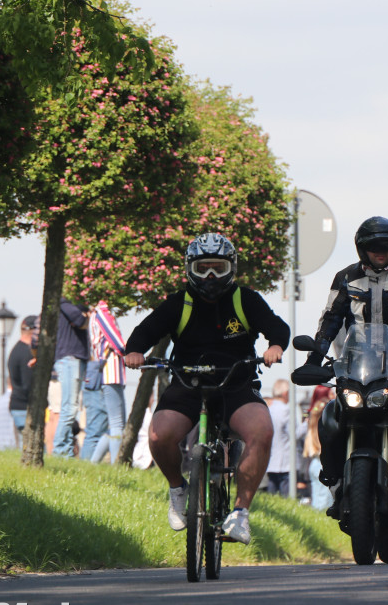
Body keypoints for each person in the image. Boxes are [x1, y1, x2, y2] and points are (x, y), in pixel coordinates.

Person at [123, 233, 288, 545]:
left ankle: (240, 513)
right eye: (203, 268)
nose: (211, 276)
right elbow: (145, 331)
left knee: (262, 431)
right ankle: (177, 489)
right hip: (187, 382)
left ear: (232, 268)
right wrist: (134, 351)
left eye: (218, 267)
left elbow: (277, 328)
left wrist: (275, 347)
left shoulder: (245, 300)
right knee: (158, 435)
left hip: (235, 383)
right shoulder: (178, 303)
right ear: (189, 269)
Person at [307, 216, 388, 519]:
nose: (380, 252)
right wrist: (314, 360)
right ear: (361, 249)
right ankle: (337, 481)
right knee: (331, 418)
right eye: (374, 247)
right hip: (356, 366)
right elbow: (329, 320)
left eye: (387, 247)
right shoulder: (345, 278)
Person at [84, 301, 128, 464]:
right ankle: (115, 465)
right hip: (112, 371)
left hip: (108, 372)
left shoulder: (96, 313)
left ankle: (94, 463)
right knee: (117, 423)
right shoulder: (102, 313)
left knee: (113, 424)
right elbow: (116, 340)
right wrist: (131, 351)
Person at [52, 298, 90, 457]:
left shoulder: (68, 306)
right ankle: (60, 450)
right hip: (70, 360)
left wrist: (84, 315)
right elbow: (82, 321)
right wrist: (86, 315)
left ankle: (65, 450)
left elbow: (81, 320)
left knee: (72, 408)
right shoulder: (65, 304)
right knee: (69, 408)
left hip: (75, 360)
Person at [265, 379, 305, 496]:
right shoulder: (286, 410)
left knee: (271, 497)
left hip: (271, 461)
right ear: (286, 393)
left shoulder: (269, 410)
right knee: (287, 497)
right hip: (287, 462)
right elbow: (295, 434)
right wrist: (307, 424)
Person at [303, 385, 336, 511]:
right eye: (331, 393)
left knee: (317, 498)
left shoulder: (313, 414)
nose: (334, 395)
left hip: (314, 462)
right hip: (322, 462)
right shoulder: (323, 412)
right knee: (324, 502)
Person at [7, 315, 38, 447]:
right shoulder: (26, 353)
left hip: (18, 405)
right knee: (31, 445)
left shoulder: (16, 350)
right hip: (24, 407)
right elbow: (28, 384)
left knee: (25, 444)